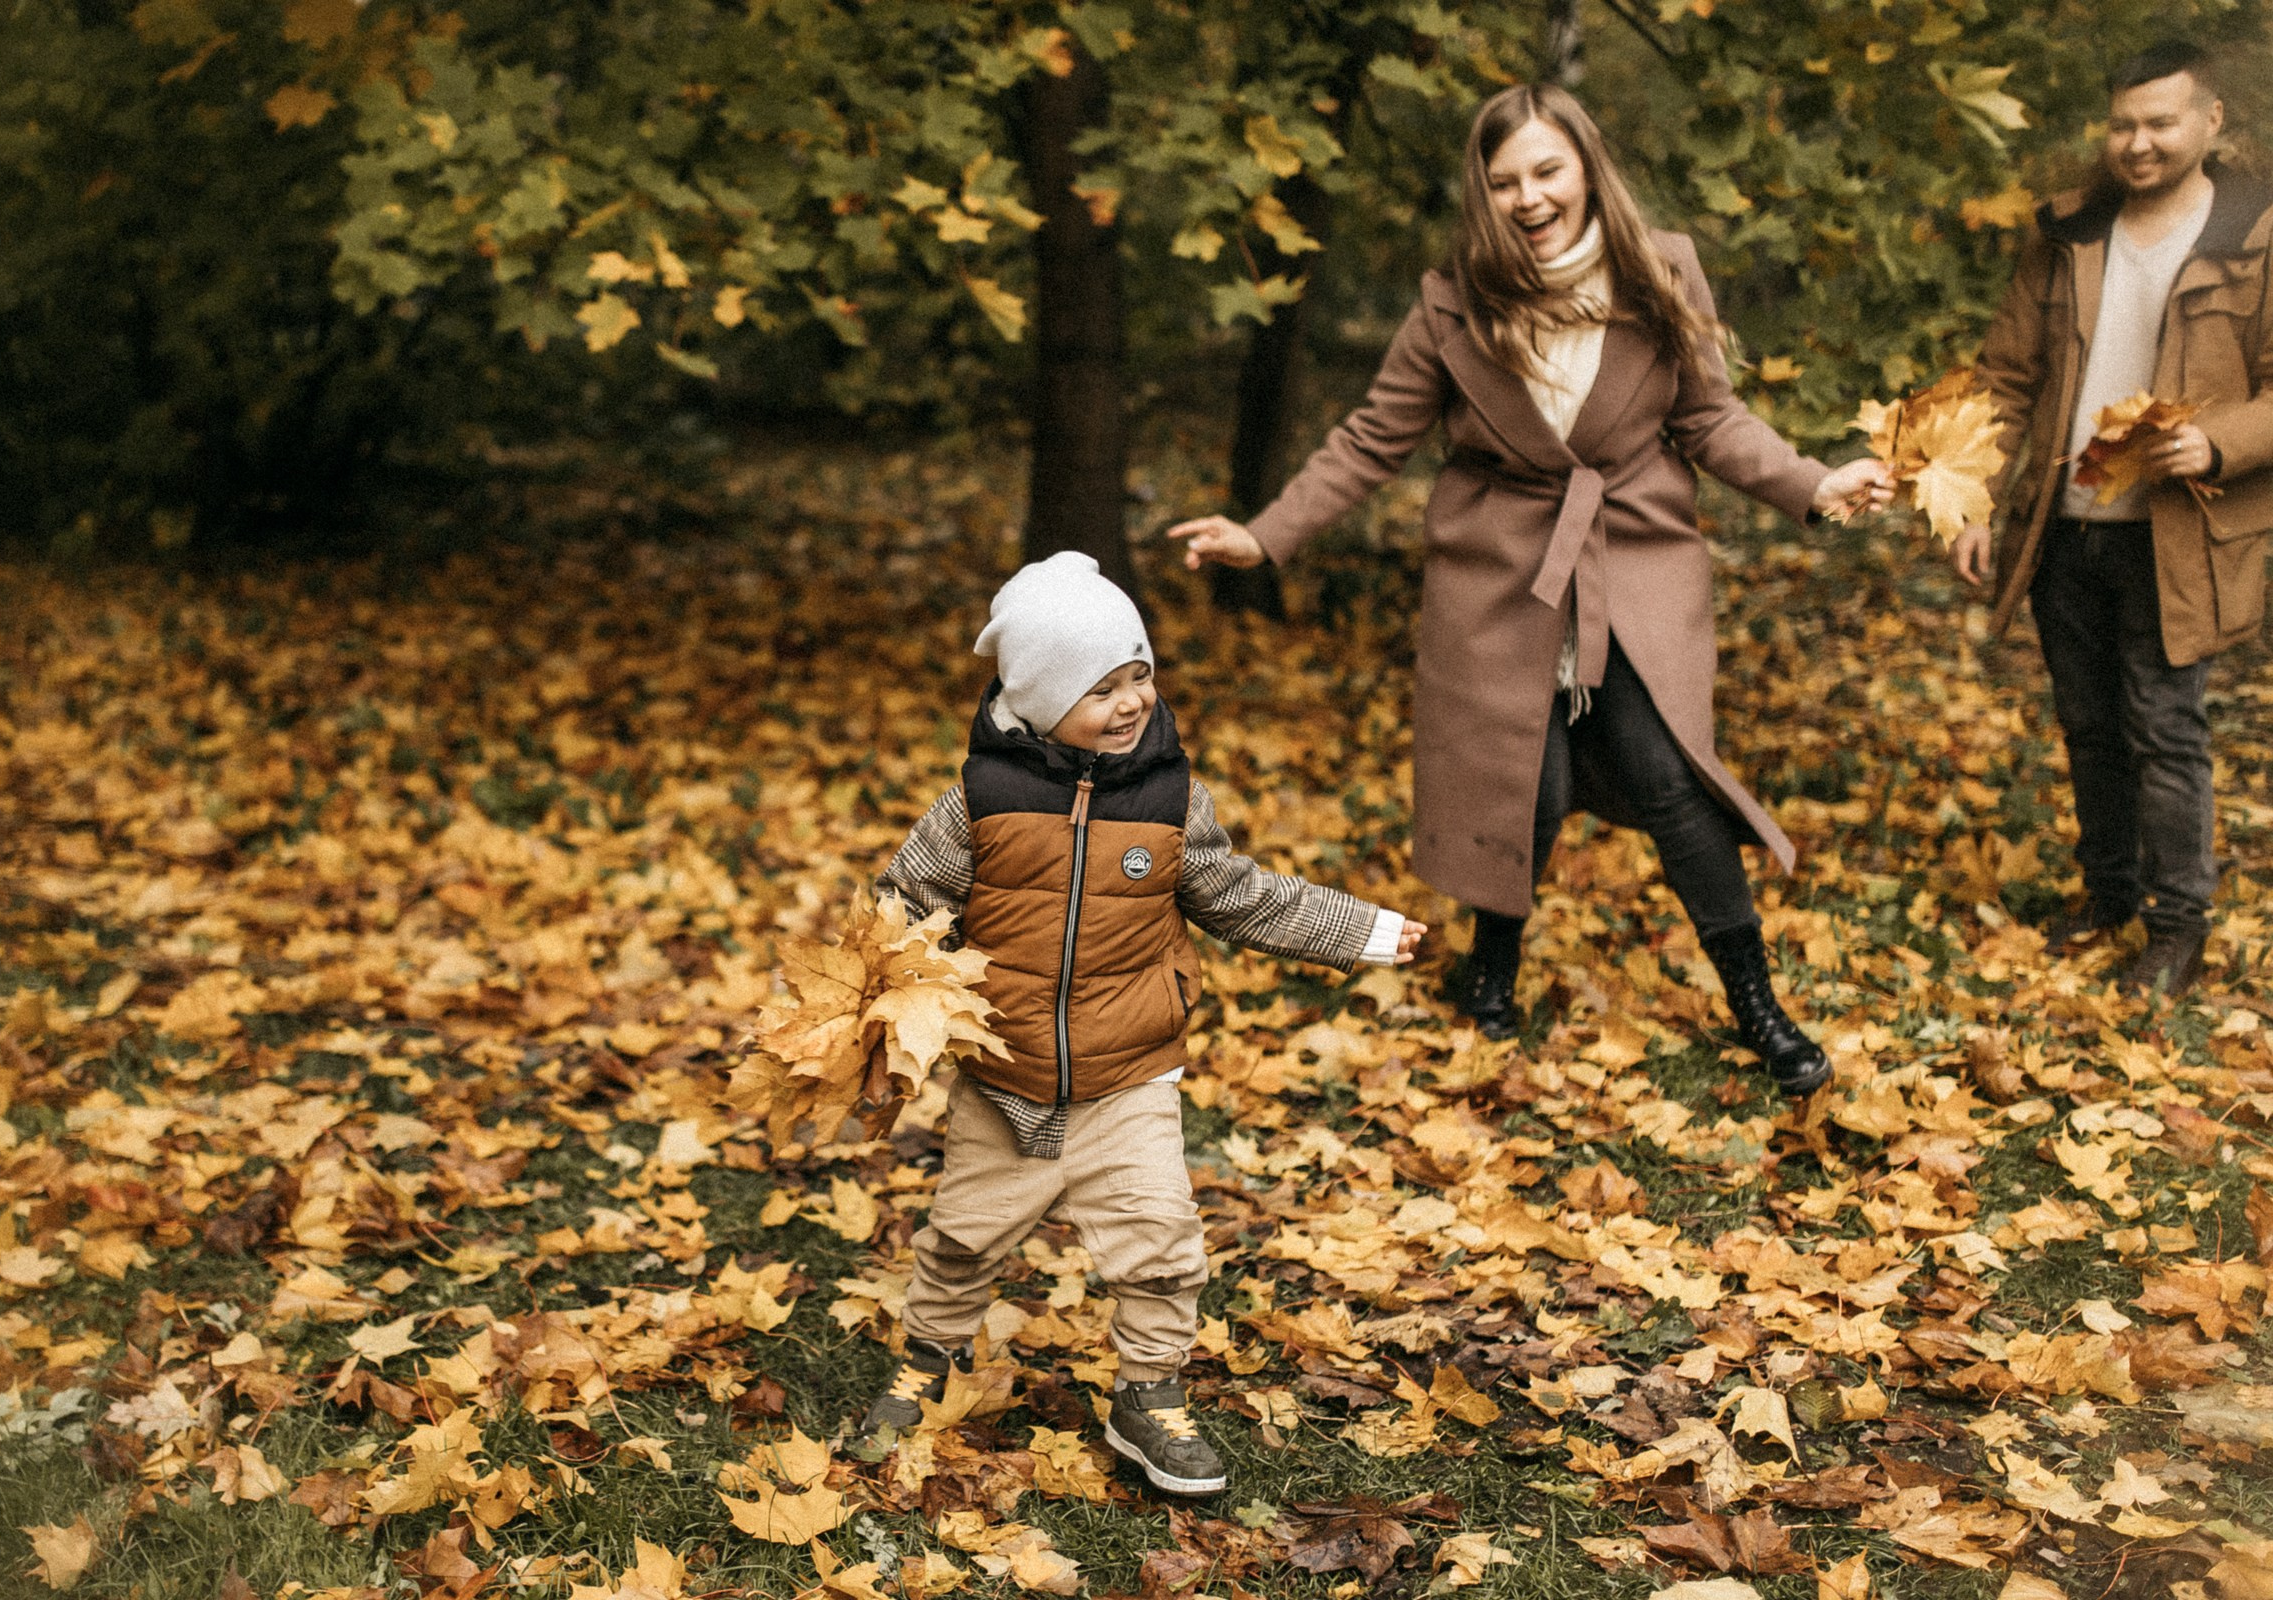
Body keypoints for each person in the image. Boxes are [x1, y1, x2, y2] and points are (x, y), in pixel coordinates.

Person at [1167, 84, 1890, 1095]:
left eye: (1548, 171)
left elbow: (1711, 420)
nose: (1530, 198)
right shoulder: (1453, 301)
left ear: (1586, 168)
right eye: (1505, 181)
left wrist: (1814, 483)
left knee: (1672, 777)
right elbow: (1373, 439)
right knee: (1527, 785)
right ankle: (1491, 973)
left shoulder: (1662, 271)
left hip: (1633, 559)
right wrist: (1264, 533)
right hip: (1499, 574)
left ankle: (1756, 1002)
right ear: (1484, 192)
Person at [863, 551, 1425, 1496]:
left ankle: (1150, 1393)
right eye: (1101, 689)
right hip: (1005, 1076)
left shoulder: (1171, 802)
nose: (1130, 703)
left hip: (1131, 1076)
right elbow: (903, 910)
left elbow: (1242, 897)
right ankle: (930, 1359)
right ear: (1039, 700)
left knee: (1162, 1243)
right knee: (962, 1235)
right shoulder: (978, 804)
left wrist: (1358, 929)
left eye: (1139, 676)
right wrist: (885, 1019)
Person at [1956, 39, 2272, 999]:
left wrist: (2218, 442)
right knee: (2089, 725)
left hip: (2180, 534)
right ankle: (2109, 895)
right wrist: (1972, 496)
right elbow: (2005, 378)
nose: (2138, 144)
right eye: (2123, 125)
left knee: (2165, 730)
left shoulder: (2257, 233)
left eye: (2160, 123)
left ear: (2210, 120)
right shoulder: (2070, 231)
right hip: (2066, 528)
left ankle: (2178, 928)